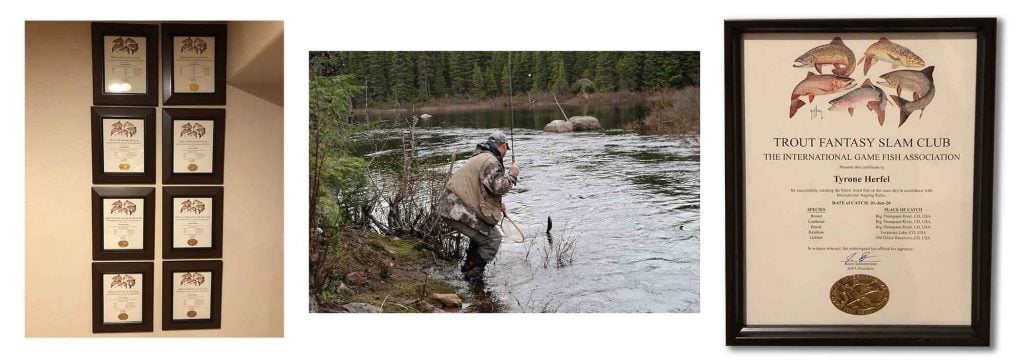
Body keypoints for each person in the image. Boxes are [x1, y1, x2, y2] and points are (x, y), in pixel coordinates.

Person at [435, 131, 520, 280]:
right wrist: (512, 175)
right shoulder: (491, 161)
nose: (507, 151)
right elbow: (499, 187)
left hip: (450, 206)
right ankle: (472, 276)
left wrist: (497, 204)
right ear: (502, 145)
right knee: (493, 238)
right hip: (455, 210)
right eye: (507, 147)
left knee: (482, 235)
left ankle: (468, 268)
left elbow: (481, 189)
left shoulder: (480, 157)